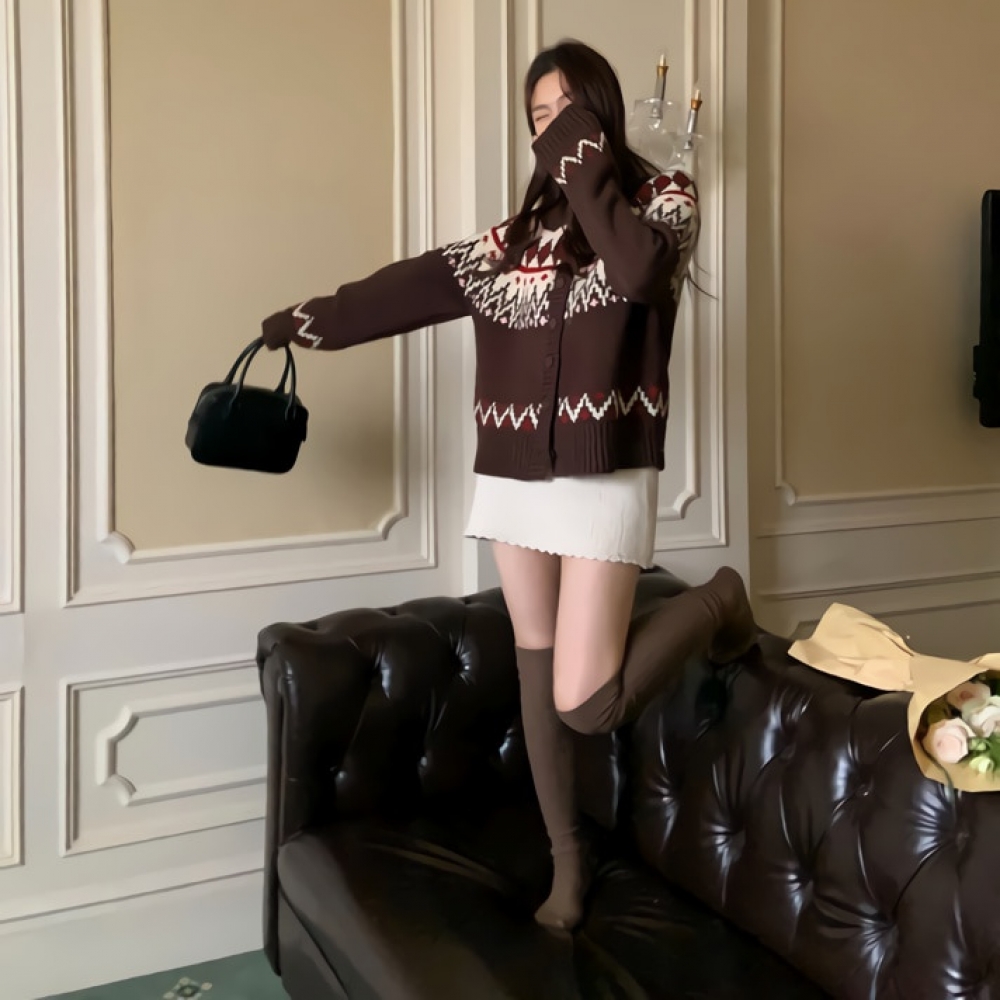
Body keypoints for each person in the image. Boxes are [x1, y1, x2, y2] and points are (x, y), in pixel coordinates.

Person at [261, 39, 756, 931]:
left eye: (567, 112)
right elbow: (409, 288)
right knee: (535, 667)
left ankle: (719, 600)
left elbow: (639, 272)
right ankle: (568, 861)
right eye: (538, 118)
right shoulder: (511, 242)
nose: (552, 131)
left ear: (599, 115)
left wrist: (584, 162)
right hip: (514, 474)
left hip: (604, 472)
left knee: (587, 700)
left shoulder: (663, 202)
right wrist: (306, 321)